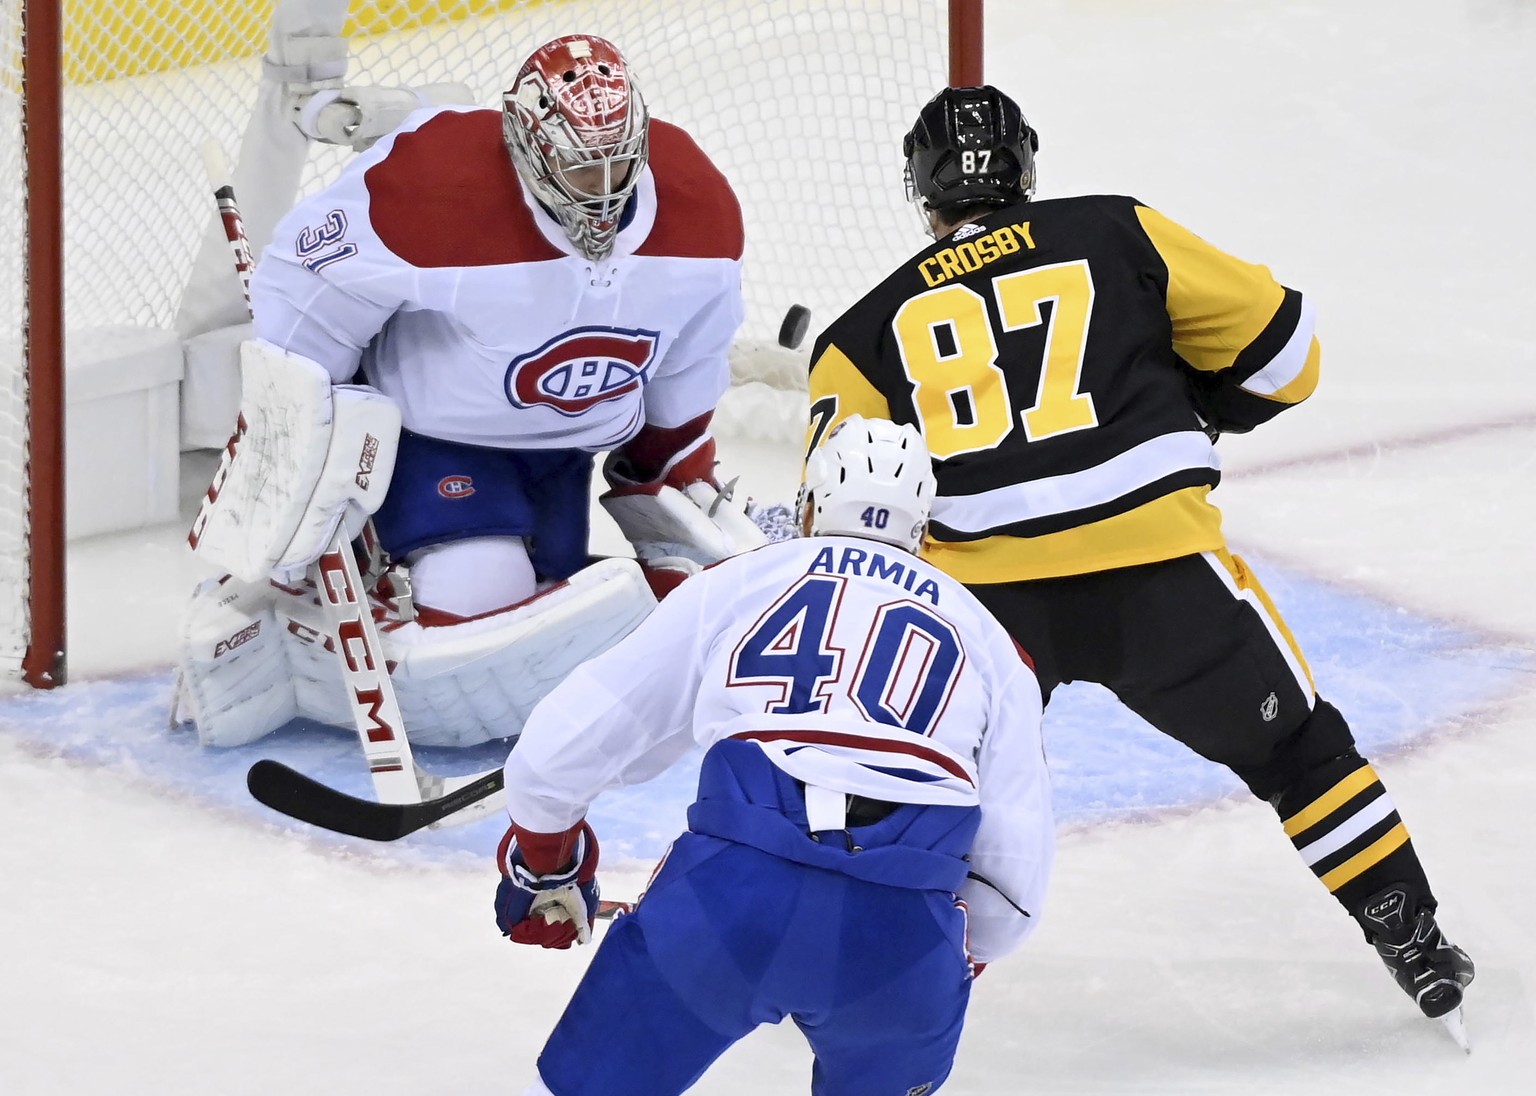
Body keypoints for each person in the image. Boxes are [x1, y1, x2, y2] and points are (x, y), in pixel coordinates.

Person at [802, 86, 1473, 1031]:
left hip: (983, 616)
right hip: (1158, 582)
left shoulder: (862, 330)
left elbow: (840, 515)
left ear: (922, 188)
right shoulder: (1117, 232)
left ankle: (873, 1001)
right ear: (1026, 165)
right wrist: (1192, 398)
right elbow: (1289, 358)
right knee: (1297, 752)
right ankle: (1412, 938)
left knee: (924, 800)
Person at [175, 34, 764, 749]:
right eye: (582, 168)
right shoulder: (433, 185)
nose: (604, 188)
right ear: (529, 143)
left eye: (621, 163)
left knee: (554, 605)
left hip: (562, 456)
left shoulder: (698, 201)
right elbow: (309, 274)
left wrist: (671, 461)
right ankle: (306, 630)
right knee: (479, 594)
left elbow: (690, 350)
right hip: (437, 442)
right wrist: (302, 419)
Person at [492, 416, 1054, 1096]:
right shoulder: (994, 645)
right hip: (900, 942)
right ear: (923, 527)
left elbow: (559, 751)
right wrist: (943, 954)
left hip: (729, 901)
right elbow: (1012, 881)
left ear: (809, 505)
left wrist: (546, 868)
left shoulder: (743, 580)